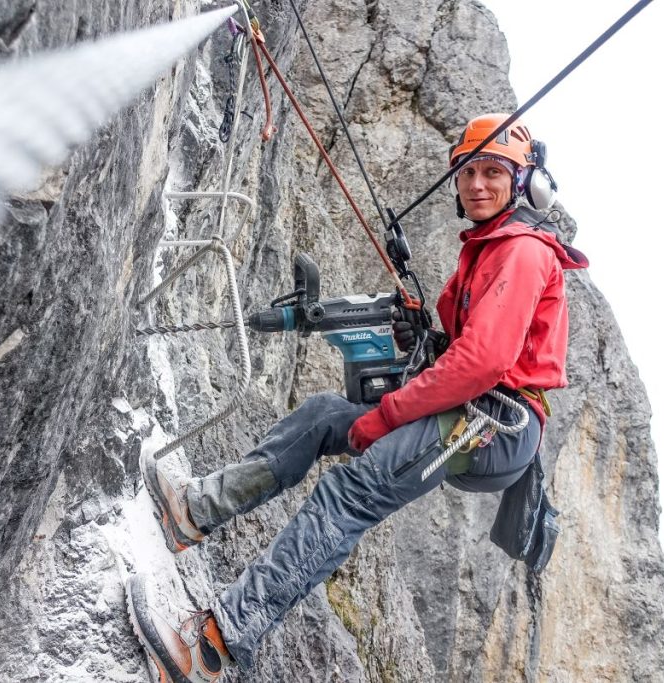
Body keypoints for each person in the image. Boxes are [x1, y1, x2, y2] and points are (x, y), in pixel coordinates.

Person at [126, 113, 589, 682]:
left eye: (493, 171)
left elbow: (484, 362)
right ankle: (196, 510)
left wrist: (389, 415)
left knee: (351, 494)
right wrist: (426, 339)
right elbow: (473, 350)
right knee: (323, 416)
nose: (476, 184)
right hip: (476, 410)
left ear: (524, 182)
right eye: (467, 171)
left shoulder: (521, 251)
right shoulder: (489, 248)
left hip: (494, 424)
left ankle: (211, 649)